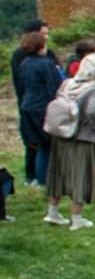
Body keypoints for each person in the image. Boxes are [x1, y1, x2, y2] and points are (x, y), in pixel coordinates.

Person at [43, 52, 95, 229]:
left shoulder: (66, 84)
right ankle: (77, 218)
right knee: (80, 176)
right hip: (82, 137)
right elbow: (93, 112)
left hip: (61, 134)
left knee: (58, 173)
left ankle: (53, 212)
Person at [12, 19, 64, 188]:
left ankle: (41, 177)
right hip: (41, 105)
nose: (46, 38)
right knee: (42, 144)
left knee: (40, 143)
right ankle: (37, 176)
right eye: (43, 34)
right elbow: (53, 84)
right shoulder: (26, 58)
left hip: (30, 103)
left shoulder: (29, 61)